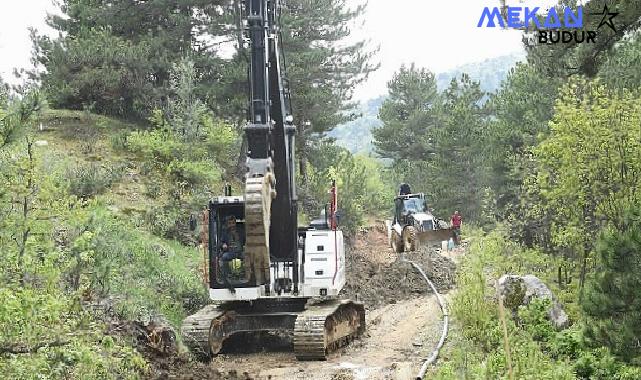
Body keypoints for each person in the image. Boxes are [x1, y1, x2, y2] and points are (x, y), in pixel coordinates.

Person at [219, 217, 243, 292]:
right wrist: (223, 245)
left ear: (235, 223)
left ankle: (247, 275)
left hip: (240, 252)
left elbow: (247, 239)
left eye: (233, 223)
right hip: (230, 252)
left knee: (249, 256)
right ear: (227, 224)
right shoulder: (225, 233)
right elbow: (221, 242)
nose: (232, 225)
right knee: (223, 257)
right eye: (230, 223)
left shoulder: (241, 231)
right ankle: (227, 276)